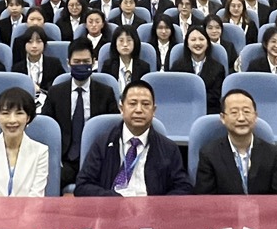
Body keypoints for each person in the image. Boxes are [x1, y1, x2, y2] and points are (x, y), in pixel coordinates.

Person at [75, 81, 192, 196]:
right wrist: (113, 198)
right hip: (112, 205)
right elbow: (83, 186)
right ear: (121, 108)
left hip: (151, 206)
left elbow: (183, 187)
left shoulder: (169, 148)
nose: (139, 110)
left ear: (154, 110)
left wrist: (157, 204)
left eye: (145, 104)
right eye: (132, 104)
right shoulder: (102, 144)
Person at [42, 38, 119, 187]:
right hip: (65, 160)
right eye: (77, 62)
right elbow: (47, 128)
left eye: (86, 62)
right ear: (68, 63)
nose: (81, 65)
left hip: (96, 158)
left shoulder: (106, 92)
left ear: (93, 62)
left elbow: (114, 129)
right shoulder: (55, 92)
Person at [196, 89, 277, 195]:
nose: (241, 118)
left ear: (255, 116)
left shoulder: (273, 154)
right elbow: (205, 199)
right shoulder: (209, 154)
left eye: (246, 112)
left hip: (263, 206)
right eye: (234, 113)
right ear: (223, 118)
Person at [0, 87, 50, 197]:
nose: (12, 120)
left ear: (28, 118)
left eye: (19, 113)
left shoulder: (41, 152)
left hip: (29, 209)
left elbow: (36, 198)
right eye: (5, 113)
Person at [171, 24, 226, 113]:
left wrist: (196, 100)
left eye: (201, 39)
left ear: (207, 43)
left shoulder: (218, 68)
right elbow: (176, 92)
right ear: (187, 44)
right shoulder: (177, 66)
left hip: (209, 110)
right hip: (183, 110)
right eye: (193, 40)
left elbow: (216, 96)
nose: (197, 43)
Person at [102, 25, 150, 90]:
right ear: (115, 43)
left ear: (135, 42)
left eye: (129, 40)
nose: (125, 44)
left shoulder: (144, 67)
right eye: (121, 41)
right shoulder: (108, 66)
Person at [17, 28, 62, 95]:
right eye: (30, 42)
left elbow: (61, 85)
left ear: (44, 44)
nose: (34, 46)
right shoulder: (17, 68)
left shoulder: (54, 64)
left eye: (38, 41)